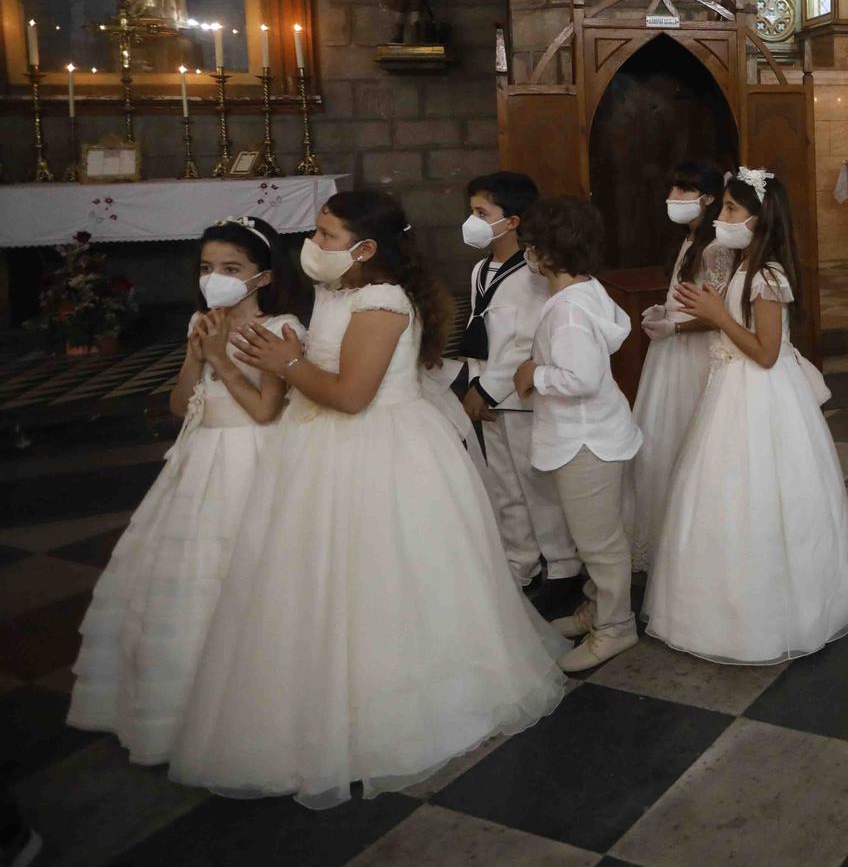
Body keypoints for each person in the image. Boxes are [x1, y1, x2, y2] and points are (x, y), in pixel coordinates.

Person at [177, 191, 565, 807]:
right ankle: (319, 702)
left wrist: (290, 359)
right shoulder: (338, 292)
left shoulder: (382, 302)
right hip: (321, 451)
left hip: (376, 452)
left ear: (365, 249)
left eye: (327, 235)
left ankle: (397, 706)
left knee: (384, 579)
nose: (314, 245)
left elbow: (353, 395)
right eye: (316, 232)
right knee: (318, 581)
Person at [69, 216, 305, 766]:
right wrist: (198, 357)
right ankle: (184, 703)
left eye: (231, 269)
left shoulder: (281, 328)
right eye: (206, 268)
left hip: (256, 459)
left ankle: (258, 707)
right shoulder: (202, 320)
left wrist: (222, 358)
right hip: (201, 458)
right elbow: (181, 404)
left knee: (254, 574)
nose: (214, 278)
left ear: (263, 278)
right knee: (190, 575)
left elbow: (267, 411)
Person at [645, 171, 848, 664]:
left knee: (762, 495)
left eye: (728, 209)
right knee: (723, 496)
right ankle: (723, 611)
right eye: (721, 207)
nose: (720, 217)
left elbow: (766, 353)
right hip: (731, 389)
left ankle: (779, 614)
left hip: (761, 394)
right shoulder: (746, 268)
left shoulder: (767, 276)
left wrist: (718, 316)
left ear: (759, 217)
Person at [512, 198, 643, 673]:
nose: (528, 253)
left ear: (547, 252)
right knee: (599, 533)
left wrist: (533, 374)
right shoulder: (590, 290)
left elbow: (581, 378)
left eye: (531, 245)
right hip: (601, 431)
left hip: (584, 439)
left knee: (599, 542)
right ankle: (596, 608)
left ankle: (616, 627)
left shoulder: (566, 311)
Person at [451, 171, 575, 603]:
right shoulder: (480, 268)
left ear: (514, 221)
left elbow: (526, 341)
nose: (474, 221)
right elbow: (481, 330)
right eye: (472, 212)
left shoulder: (534, 272)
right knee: (504, 486)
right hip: (486, 393)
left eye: (483, 213)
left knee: (536, 485)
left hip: (518, 396)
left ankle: (562, 569)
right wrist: (473, 384)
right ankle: (520, 564)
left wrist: (486, 389)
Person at [630, 161, 733, 566]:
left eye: (682, 191)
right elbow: (685, 297)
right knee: (658, 443)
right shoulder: (690, 241)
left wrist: (674, 328)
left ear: (707, 199)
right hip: (670, 354)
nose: (672, 199)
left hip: (693, 354)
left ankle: (690, 545)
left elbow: (719, 315)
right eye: (672, 189)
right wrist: (665, 312)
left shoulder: (715, 247)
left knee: (685, 440)